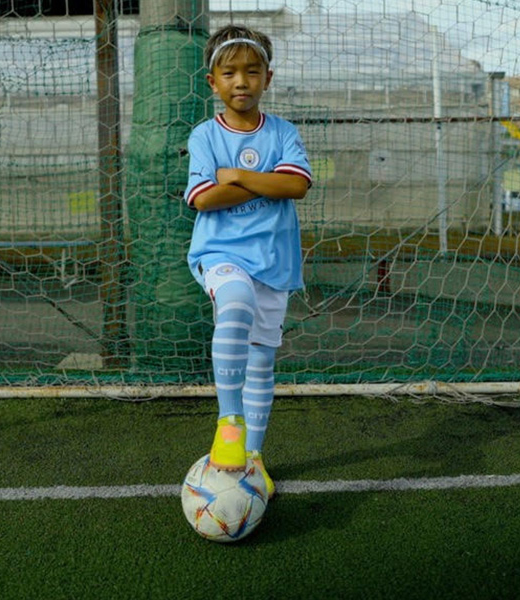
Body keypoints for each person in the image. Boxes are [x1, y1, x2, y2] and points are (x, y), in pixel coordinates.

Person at [184, 24, 312, 499]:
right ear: (212, 82)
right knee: (233, 303)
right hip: (220, 254)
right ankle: (229, 420)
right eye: (230, 72)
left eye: (252, 72)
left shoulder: (283, 132)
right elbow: (202, 199)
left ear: (268, 79)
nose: (242, 81)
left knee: (261, 361)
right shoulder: (204, 136)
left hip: (274, 261)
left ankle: (253, 458)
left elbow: (296, 185)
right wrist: (266, 179)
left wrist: (237, 174)